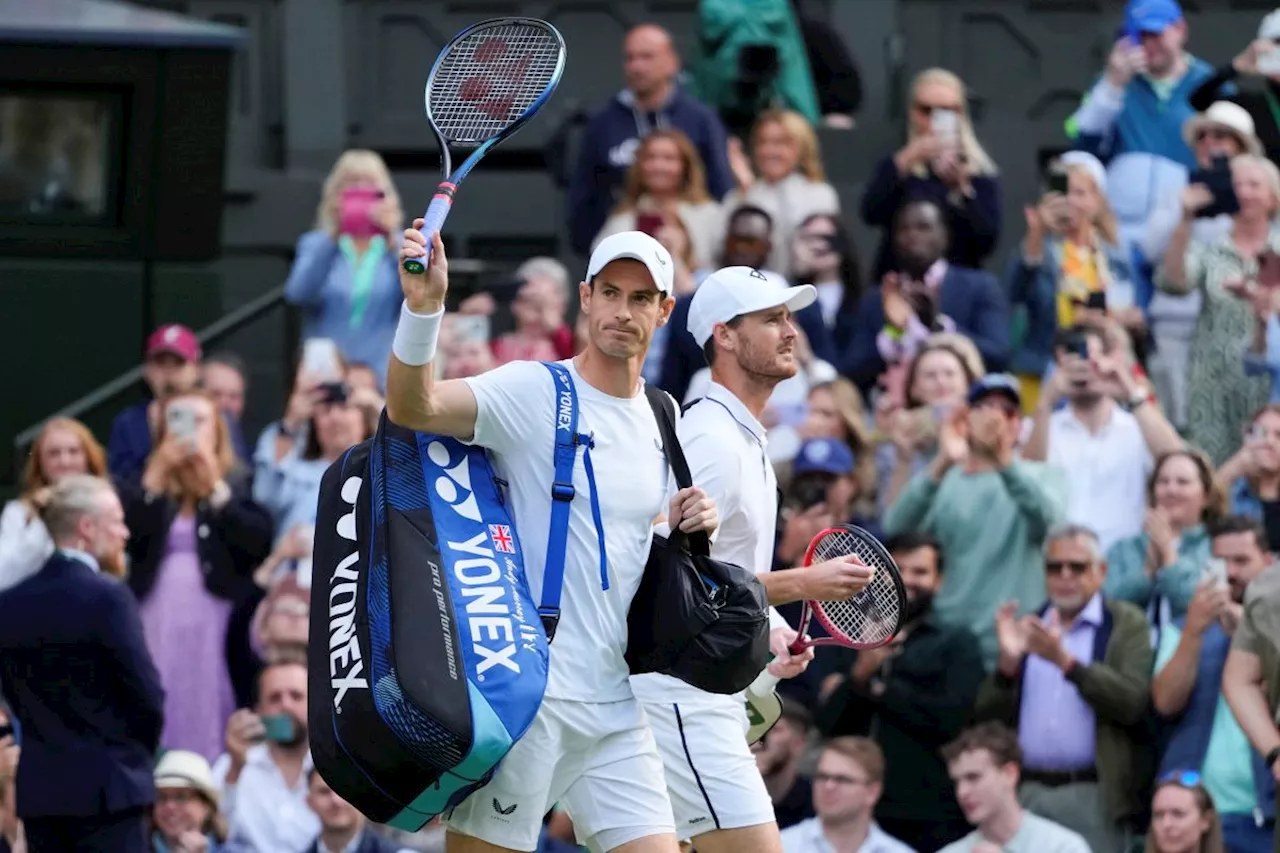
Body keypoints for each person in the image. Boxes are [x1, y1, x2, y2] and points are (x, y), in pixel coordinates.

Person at [386, 226, 718, 853]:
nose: (623, 312)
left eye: (642, 298)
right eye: (611, 293)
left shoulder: (663, 412)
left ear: (665, 310)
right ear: (585, 298)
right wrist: (424, 307)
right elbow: (414, 406)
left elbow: (626, 544)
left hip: (616, 703)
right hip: (529, 699)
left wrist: (692, 522)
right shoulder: (535, 390)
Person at [632, 266, 874, 853]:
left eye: (788, 317)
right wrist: (803, 583)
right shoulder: (711, 437)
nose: (790, 331)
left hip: (703, 695)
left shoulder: (743, 436)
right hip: (681, 696)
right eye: (771, 320)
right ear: (725, 336)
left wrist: (773, 630)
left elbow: (721, 568)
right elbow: (656, 577)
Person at [0, 475, 164, 853]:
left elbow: (15, 696)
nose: (125, 533)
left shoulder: (9, 605)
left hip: (42, 798)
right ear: (87, 529)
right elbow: (147, 696)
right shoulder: (107, 597)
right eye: (117, 521)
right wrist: (131, 757)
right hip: (109, 793)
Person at [939, 723, 1090, 853]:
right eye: (957, 782)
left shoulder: (1061, 847)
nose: (962, 792)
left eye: (974, 777)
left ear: (1010, 774)